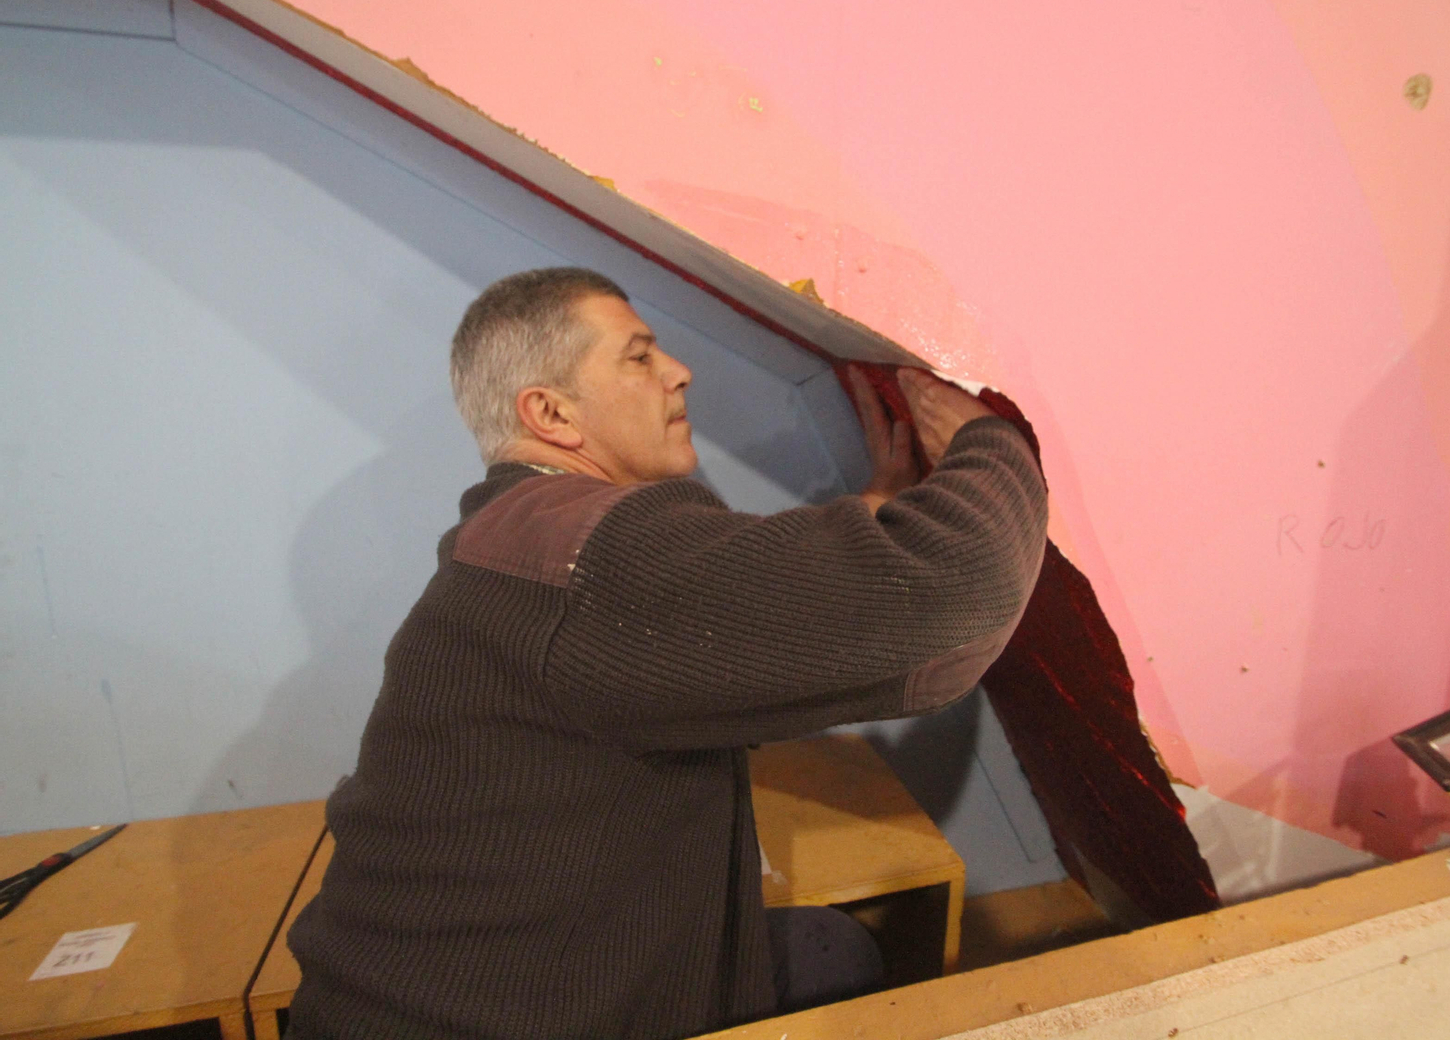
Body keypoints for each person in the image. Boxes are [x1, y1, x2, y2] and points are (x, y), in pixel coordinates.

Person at [286, 267, 1049, 1039]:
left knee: (835, 949)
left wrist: (868, 515)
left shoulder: (525, 538)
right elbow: (957, 602)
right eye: (639, 357)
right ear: (549, 412)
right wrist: (991, 443)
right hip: (490, 1020)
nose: (678, 372)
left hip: (422, 998)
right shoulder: (591, 557)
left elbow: (691, 636)